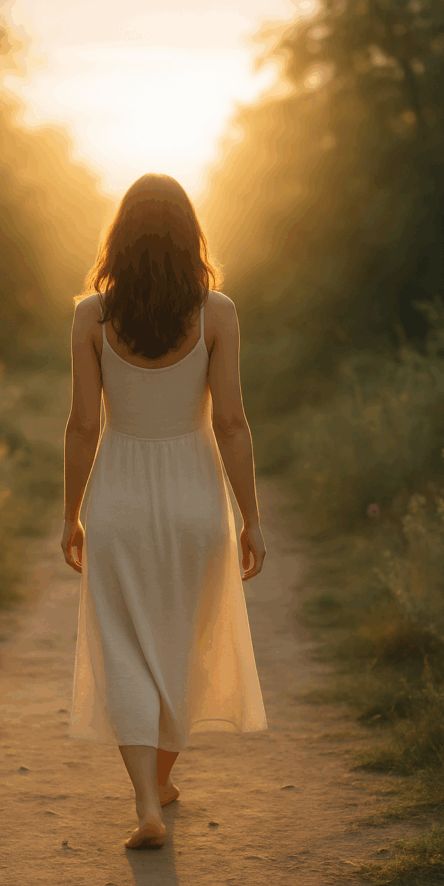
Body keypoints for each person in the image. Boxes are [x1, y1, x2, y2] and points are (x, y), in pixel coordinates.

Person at [61, 173, 267, 850]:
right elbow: (232, 422)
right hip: (193, 498)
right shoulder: (218, 313)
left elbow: (82, 427)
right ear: (190, 238)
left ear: (119, 237)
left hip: (117, 496)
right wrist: (250, 519)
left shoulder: (91, 316)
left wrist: (72, 515)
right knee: (183, 642)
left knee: (122, 643)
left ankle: (147, 802)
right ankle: (162, 779)